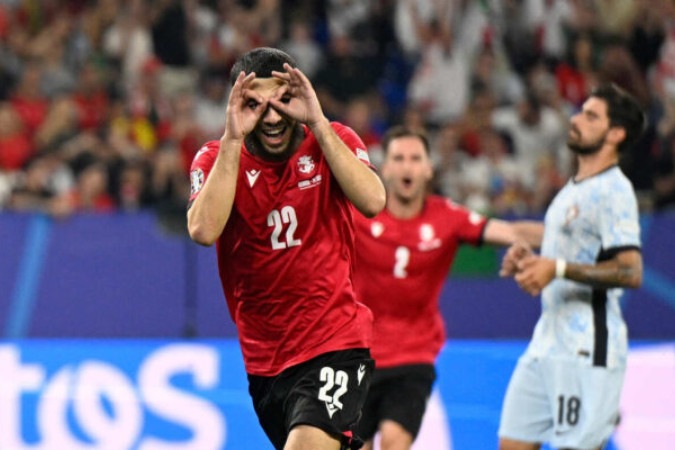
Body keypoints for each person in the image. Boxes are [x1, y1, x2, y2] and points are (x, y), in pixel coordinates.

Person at [186, 47, 386, 450]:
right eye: (256, 104)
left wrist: (318, 121)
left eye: (281, 99)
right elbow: (203, 230)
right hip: (265, 362)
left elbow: (373, 201)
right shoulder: (216, 157)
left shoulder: (332, 139)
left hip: (335, 342)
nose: (273, 116)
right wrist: (232, 138)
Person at [352, 125, 542, 450]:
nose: (407, 166)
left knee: (395, 442)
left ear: (428, 168)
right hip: (356, 352)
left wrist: (565, 234)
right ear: (385, 167)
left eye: (415, 158)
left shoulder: (446, 216)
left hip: (414, 354)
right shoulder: (357, 214)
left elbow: (506, 230)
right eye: (398, 158)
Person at [498, 83, 646, 450]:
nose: (576, 119)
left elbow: (631, 270)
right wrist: (529, 258)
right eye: (581, 111)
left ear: (616, 134)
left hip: (587, 350)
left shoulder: (615, 190)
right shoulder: (573, 189)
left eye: (591, 115)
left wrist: (557, 268)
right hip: (546, 343)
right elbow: (566, 245)